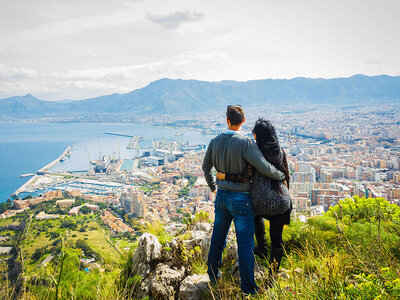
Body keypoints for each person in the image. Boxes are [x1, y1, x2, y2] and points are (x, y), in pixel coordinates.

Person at [202, 106, 285, 295]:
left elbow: (206, 167)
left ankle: (213, 275)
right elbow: (264, 167)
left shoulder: (214, 141)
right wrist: (281, 175)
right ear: (244, 120)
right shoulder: (245, 143)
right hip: (241, 199)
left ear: (227, 120)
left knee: (218, 238)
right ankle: (249, 289)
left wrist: (213, 187)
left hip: (222, 197)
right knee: (245, 245)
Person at [216, 118, 291, 282]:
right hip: (281, 202)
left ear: (257, 136)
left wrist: (225, 176)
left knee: (255, 215)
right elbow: (287, 177)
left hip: (260, 203)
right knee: (277, 241)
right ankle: (272, 277)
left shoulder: (255, 153)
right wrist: (286, 198)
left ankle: (262, 248)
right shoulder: (280, 152)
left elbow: (245, 177)